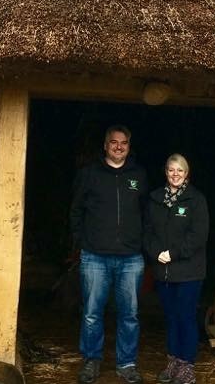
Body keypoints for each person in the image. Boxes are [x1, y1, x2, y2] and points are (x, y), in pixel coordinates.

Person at [70, 125, 148, 384]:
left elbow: (147, 214)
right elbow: (76, 211)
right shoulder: (89, 174)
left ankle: (126, 364)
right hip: (95, 256)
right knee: (92, 311)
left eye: (123, 143)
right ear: (105, 145)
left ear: (129, 145)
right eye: (113, 142)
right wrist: (81, 242)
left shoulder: (139, 175)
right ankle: (91, 361)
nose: (118, 147)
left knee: (130, 314)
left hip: (130, 258)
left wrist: (142, 243)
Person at [143, 154, 209, 384]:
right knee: (170, 317)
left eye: (180, 170)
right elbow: (148, 231)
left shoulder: (196, 200)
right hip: (164, 272)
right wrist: (155, 252)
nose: (175, 174)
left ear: (187, 173)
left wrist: (173, 254)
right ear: (166, 172)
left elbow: (198, 236)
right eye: (171, 170)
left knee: (186, 317)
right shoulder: (155, 199)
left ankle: (187, 365)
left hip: (189, 271)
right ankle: (172, 363)